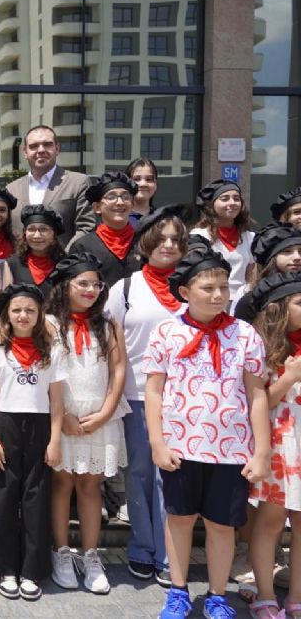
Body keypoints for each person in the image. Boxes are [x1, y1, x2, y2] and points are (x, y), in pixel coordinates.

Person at [145, 247, 270, 619]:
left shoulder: (245, 334)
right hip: (180, 446)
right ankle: (177, 591)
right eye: (208, 288)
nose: (218, 295)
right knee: (179, 519)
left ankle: (217, 595)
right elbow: (154, 390)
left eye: (223, 288)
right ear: (185, 292)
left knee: (221, 524)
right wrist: (157, 441)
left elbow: (257, 394)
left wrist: (261, 451)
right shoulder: (166, 331)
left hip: (231, 450)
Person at [105, 204, 188, 588]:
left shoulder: (193, 286)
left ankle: (171, 554)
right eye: (161, 239)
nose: (168, 245)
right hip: (137, 394)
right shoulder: (125, 289)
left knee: (173, 476)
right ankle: (141, 547)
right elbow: (112, 346)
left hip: (186, 398)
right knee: (139, 473)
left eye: (176, 239)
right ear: (146, 244)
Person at [45, 254, 129, 595]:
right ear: (66, 286)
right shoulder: (49, 323)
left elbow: (119, 368)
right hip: (62, 413)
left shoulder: (108, 324)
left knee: (91, 485)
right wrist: (62, 415)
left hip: (98, 412)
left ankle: (91, 554)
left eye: (96, 284)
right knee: (62, 483)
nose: (91, 290)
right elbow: (44, 370)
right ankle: (61, 551)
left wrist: (108, 410)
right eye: (83, 284)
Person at [0, 283, 65, 601]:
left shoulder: (52, 353)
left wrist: (54, 440)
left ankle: (32, 570)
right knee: (3, 498)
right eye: (16, 310)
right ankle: (4, 568)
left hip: (39, 427)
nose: (23, 315)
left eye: (30, 310)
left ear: (39, 315)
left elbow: (56, 400)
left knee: (36, 498)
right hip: (6, 426)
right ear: (7, 316)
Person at [247, 272, 301, 619]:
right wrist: (289, 377)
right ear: (279, 308)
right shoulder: (265, 348)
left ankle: (296, 597)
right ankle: (265, 594)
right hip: (281, 444)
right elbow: (259, 400)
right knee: (271, 521)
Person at [6, 125, 94, 249]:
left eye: (47, 144)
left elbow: (86, 227)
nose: (41, 150)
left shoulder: (78, 183)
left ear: (57, 149)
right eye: (34, 146)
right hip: (20, 260)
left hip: (64, 259)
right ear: (25, 152)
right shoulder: (11, 189)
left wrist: (66, 257)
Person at [69, 172, 142, 287]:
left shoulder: (145, 242)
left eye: (125, 197)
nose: (120, 202)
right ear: (97, 207)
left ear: (132, 205)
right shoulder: (83, 246)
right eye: (111, 197)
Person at [190, 178, 256, 297]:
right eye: (225, 199)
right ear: (211, 205)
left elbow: (251, 276)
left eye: (236, 199)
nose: (232, 203)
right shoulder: (199, 236)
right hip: (212, 298)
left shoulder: (250, 237)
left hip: (240, 300)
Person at [234, 223, 301, 322]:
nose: (297, 257)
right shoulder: (250, 298)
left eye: (300, 251)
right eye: (287, 251)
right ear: (271, 258)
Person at [0, 205, 65, 294]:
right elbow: (7, 299)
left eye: (43, 229)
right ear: (25, 233)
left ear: (54, 236)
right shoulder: (12, 264)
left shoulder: (65, 265)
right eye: (31, 229)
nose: (37, 235)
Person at [126, 158, 159, 227]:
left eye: (149, 179)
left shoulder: (163, 219)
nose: (143, 184)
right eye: (136, 179)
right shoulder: (119, 219)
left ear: (155, 185)